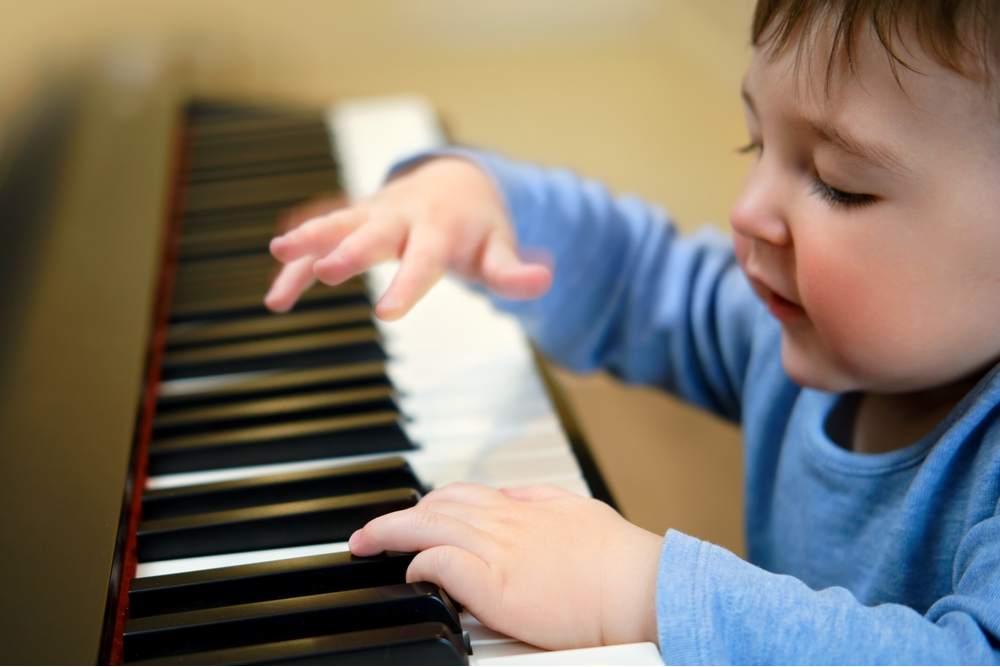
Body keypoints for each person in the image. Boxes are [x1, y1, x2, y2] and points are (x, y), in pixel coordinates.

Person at [264, 1, 1000, 662]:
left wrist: (645, 590)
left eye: (840, 181)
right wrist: (478, 201)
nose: (747, 211)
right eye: (756, 145)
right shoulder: (785, 332)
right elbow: (632, 277)